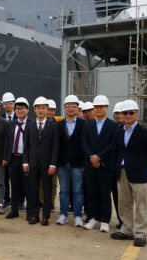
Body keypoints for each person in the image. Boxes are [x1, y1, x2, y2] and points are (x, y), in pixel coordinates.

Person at [110, 100, 147, 247]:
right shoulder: (119, 132)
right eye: (125, 113)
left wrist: (143, 167)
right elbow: (117, 151)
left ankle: (141, 234)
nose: (128, 115)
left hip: (140, 174)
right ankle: (127, 230)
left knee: (140, 205)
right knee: (124, 203)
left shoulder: (146, 133)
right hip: (122, 173)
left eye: (131, 112)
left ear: (137, 113)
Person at [81, 95, 119, 232]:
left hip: (105, 165)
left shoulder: (113, 126)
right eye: (96, 107)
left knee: (104, 193)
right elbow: (84, 142)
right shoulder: (88, 125)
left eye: (101, 107)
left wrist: (99, 157)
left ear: (107, 108)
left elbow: (113, 144)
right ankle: (92, 218)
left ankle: (104, 221)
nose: (98, 109)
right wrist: (92, 157)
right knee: (91, 193)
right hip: (91, 164)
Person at [23, 96, 59, 226]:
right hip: (32, 163)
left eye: (43, 108)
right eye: (38, 108)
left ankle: (45, 216)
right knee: (33, 190)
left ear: (47, 109)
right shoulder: (30, 125)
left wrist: (53, 164)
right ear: (34, 109)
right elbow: (26, 145)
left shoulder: (53, 126)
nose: (41, 110)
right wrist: (25, 162)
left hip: (47, 164)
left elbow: (55, 147)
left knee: (47, 190)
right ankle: (33, 215)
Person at [55, 95, 86, 227]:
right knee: (64, 190)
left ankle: (78, 215)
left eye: (74, 106)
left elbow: (86, 145)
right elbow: (56, 145)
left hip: (78, 163)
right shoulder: (59, 125)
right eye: (68, 106)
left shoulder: (84, 124)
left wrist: (85, 162)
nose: (71, 109)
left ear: (78, 108)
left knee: (78, 190)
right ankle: (63, 214)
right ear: (64, 108)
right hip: (62, 163)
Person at [2, 97, 30, 219]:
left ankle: (30, 212)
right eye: (18, 108)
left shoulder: (31, 124)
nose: (20, 110)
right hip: (13, 158)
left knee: (28, 186)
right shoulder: (11, 124)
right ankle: (14, 210)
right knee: (14, 185)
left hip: (26, 159)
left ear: (28, 110)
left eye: (22, 108)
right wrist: (5, 158)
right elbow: (7, 142)